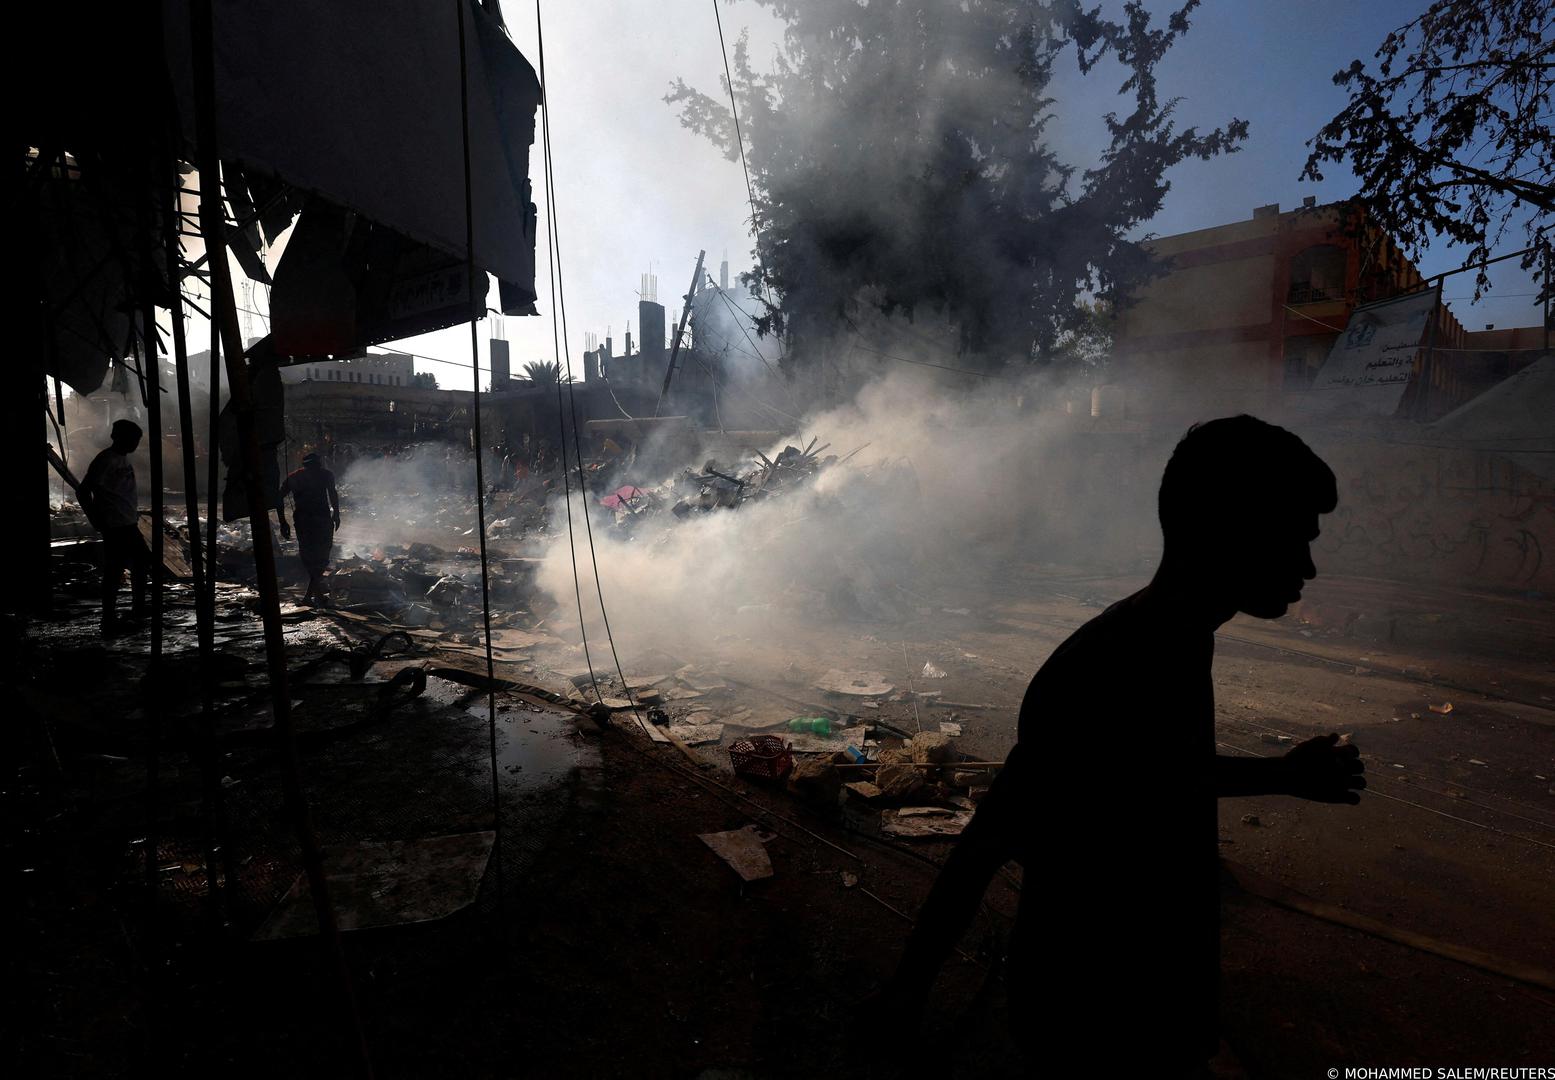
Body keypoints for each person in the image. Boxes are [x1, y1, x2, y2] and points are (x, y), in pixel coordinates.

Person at [875, 415, 1367, 1074]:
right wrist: (906, 993)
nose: (1307, 566)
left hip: (1146, 1010)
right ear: (1226, 532)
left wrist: (1280, 775)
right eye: (1291, 538)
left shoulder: (1178, 639)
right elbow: (988, 843)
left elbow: (1151, 777)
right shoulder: (1111, 660)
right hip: (1091, 1020)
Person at [79, 419, 152, 635]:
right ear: (118, 437)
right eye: (132, 439)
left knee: (138, 565)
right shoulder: (105, 460)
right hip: (116, 526)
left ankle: (132, 611)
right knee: (118, 570)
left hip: (126, 523)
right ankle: (111, 617)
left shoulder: (122, 460)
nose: (135, 444)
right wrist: (95, 519)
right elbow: (84, 491)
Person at [277, 452, 340, 605]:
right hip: (320, 520)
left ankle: (313, 595)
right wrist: (336, 514)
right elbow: (332, 494)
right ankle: (312, 595)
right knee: (321, 555)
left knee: (310, 556)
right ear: (318, 463)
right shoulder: (325, 475)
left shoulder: (294, 477)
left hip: (305, 521)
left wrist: (283, 522)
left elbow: (278, 498)